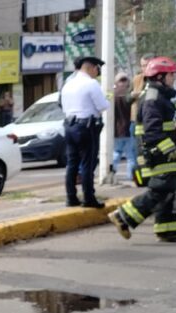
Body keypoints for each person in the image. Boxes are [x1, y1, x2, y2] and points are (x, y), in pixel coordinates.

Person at [110, 57, 176, 243]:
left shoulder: (159, 96)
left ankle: (168, 230)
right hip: (158, 154)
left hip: (164, 153)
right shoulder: (153, 98)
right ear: (160, 76)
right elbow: (152, 131)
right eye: (171, 75)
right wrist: (170, 149)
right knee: (161, 190)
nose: (173, 78)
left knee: (171, 190)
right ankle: (123, 216)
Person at [60, 55, 109, 208]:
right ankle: (88, 198)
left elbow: (62, 105)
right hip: (86, 127)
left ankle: (71, 197)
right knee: (88, 163)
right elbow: (102, 106)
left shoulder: (68, 84)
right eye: (97, 69)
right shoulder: (91, 83)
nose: (97, 72)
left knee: (72, 163)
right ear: (90, 68)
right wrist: (107, 99)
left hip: (69, 126)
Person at [111, 73, 137, 182]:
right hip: (128, 129)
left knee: (116, 153)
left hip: (116, 130)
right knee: (131, 155)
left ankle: (111, 173)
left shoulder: (112, 95)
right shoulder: (129, 96)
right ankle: (130, 176)